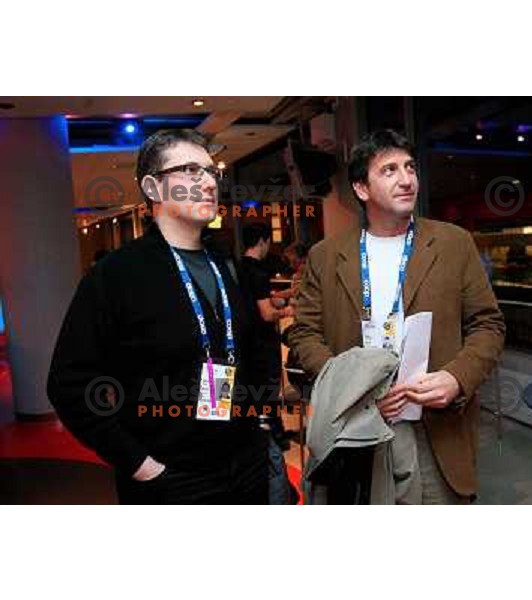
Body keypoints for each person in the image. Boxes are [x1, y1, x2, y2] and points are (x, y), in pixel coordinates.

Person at [47, 129, 268, 504]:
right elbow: (69, 384)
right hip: (170, 479)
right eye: (190, 170)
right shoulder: (117, 275)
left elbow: (255, 349)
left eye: (212, 172)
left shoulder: (228, 264)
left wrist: (261, 424)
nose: (208, 181)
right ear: (152, 187)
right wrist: (141, 465)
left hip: (245, 466)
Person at [288, 129, 505, 504]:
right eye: (389, 170)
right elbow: (305, 333)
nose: (406, 179)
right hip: (358, 427)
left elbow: (488, 325)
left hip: (437, 429)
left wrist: (456, 378)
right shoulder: (327, 255)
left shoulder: (454, 243)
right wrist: (353, 392)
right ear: (361, 189)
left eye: (409, 167)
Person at [239, 223, 295, 503]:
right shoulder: (258, 270)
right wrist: (288, 310)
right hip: (263, 343)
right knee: (269, 390)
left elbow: (263, 298)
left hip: (247, 346)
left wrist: (284, 295)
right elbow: (265, 313)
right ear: (262, 241)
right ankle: (274, 437)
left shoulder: (239, 268)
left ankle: (270, 432)